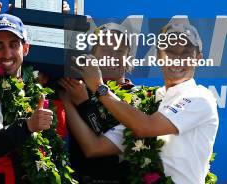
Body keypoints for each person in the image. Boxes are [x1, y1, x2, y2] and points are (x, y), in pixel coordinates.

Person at [63, 20, 219, 184]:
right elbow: (94, 147)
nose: (177, 59)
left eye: (186, 53)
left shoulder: (200, 96)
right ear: (159, 56)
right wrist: (67, 100)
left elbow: (145, 127)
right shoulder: (152, 102)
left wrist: (99, 88)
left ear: (199, 58)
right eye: (171, 52)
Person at [0, 13, 56, 183]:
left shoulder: (33, 90)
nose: (7, 54)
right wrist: (27, 126)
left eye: (13, 45)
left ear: (26, 48)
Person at [58, 22, 135, 184]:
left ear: (129, 57)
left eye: (120, 51)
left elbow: (106, 145)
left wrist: (84, 104)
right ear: (93, 54)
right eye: (106, 49)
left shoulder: (138, 96)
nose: (112, 56)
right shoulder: (75, 86)